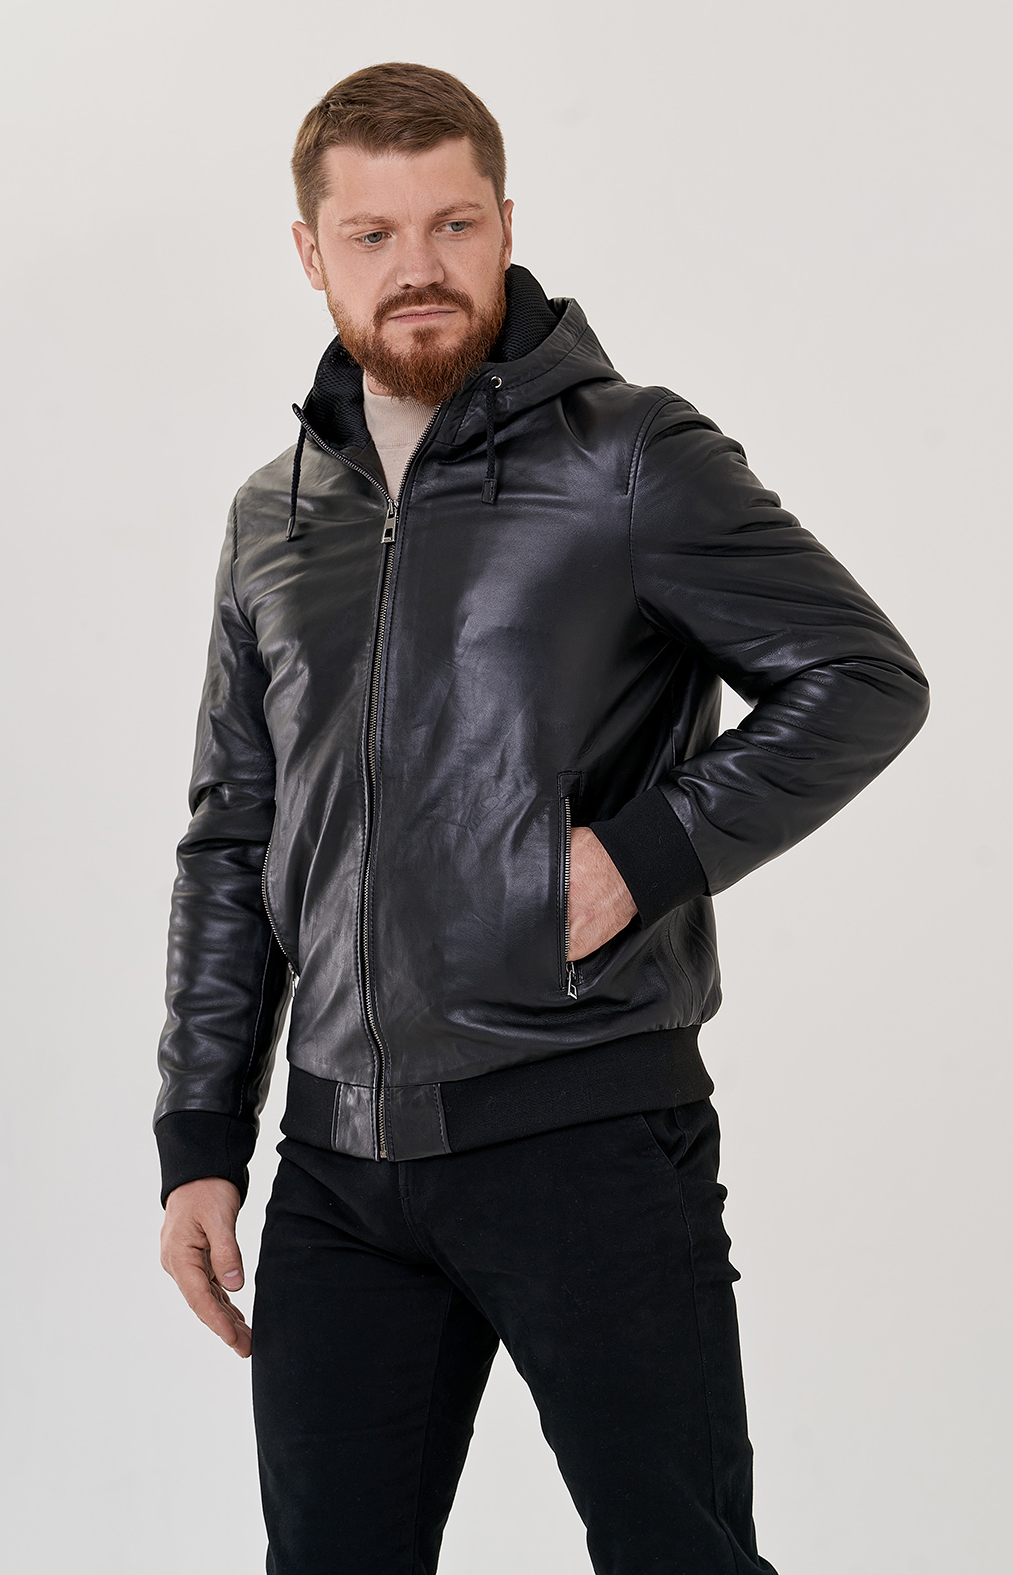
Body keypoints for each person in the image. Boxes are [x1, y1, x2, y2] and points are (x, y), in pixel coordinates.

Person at [155, 61, 928, 1575]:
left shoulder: (628, 457)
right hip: (335, 1169)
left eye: (453, 224)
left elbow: (859, 677)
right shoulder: (274, 513)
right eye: (373, 234)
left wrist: (642, 855)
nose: (419, 267)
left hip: (581, 1130)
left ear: (506, 224)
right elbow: (233, 838)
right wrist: (199, 1138)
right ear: (310, 252)